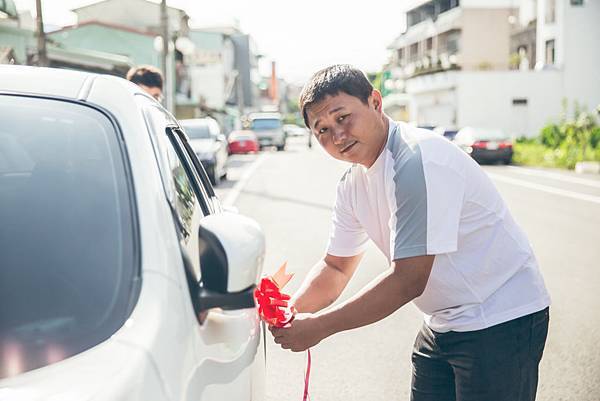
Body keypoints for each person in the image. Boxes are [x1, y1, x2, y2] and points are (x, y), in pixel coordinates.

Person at [270, 65, 550, 401]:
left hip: (501, 316)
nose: (338, 136)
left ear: (375, 102)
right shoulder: (352, 184)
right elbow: (336, 268)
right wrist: (289, 314)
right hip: (444, 322)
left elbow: (409, 279)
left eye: (343, 117)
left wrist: (318, 327)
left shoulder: (417, 161)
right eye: (323, 130)